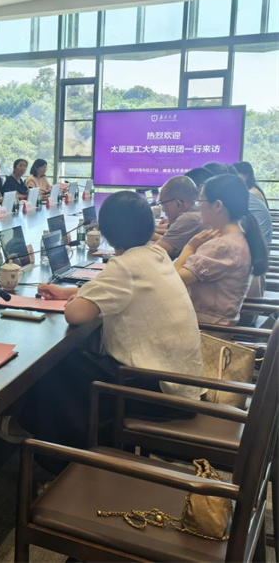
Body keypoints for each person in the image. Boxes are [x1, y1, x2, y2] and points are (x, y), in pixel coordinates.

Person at [17, 191, 204, 453]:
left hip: (155, 391)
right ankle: (39, 432)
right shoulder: (155, 254)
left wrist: (76, 299)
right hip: (180, 384)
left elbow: (75, 315)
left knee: (57, 364)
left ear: (107, 231)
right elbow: (121, 290)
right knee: (78, 360)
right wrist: (70, 292)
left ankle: (61, 455)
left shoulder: (125, 266)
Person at [174, 174, 268, 325]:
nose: (198, 206)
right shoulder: (240, 237)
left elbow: (174, 281)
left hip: (205, 328)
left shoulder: (222, 246)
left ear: (217, 205)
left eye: (201, 201)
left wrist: (189, 248)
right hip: (218, 325)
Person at [152, 175, 204, 258]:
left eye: (163, 204)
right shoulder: (197, 212)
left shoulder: (188, 219)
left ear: (178, 203)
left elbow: (154, 253)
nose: (164, 210)